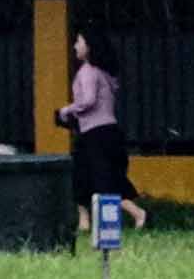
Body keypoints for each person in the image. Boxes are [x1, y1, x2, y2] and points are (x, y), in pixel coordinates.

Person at [60, 28, 148, 231]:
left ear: (89, 47)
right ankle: (85, 222)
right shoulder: (104, 73)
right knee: (93, 176)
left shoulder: (88, 71)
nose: (75, 46)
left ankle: (136, 213)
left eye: (79, 42)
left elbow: (88, 101)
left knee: (97, 179)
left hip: (95, 135)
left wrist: (67, 110)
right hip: (108, 132)